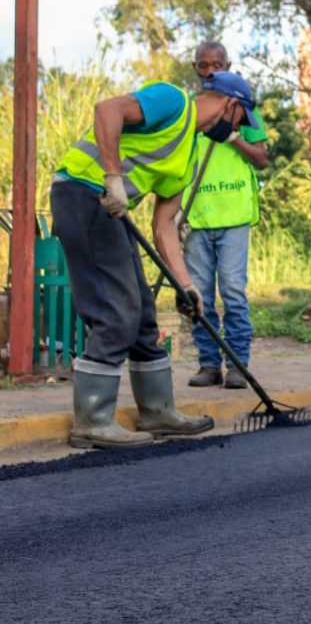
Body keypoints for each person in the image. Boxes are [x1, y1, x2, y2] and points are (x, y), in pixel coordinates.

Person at [52, 71, 260, 448]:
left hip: (111, 210)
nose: (239, 128)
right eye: (241, 120)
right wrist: (112, 177)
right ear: (231, 105)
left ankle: (157, 410)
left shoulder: (188, 155)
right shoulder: (172, 101)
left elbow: (165, 225)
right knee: (118, 309)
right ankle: (93, 420)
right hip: (83, 194)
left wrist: (187, 286)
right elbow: (108, 110)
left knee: (143, 312)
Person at [184, 42, 270, 390]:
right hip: (197, 218)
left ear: (228, 66)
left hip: (233, 217)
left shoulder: (242, 107)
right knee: (199, 295)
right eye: (203, 65)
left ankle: (237, 365)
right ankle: (208, 364)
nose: (210, 71)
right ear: (196, 69)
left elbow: (261, 158)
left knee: (233, 291)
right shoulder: (190, 112)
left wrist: (232, 136)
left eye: (217, 65)